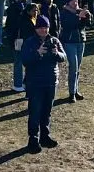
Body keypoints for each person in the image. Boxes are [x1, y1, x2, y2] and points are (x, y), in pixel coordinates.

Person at [21, 14, 65, 153]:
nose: (43, 30)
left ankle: (45, 136)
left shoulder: (54, 40)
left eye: (45, 27)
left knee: (47, 111)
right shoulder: (29, 42)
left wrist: (56, 53)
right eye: (40, 28)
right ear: (36, 29)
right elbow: (25, 60)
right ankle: (33, 139)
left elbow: (63, 57)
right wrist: (37, 53)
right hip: (35, 82)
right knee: (35, 111)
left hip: (51, 81)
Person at [58, 0, 91, 102]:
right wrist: (78, 17)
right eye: (73, 0)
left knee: (78, 67)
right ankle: (71, 93)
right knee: (73, 66)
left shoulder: (80, 11)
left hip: (81, 41)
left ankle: (76, 90)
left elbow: (88, 25)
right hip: (69, 42)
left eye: (76, 0)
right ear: (68, 3)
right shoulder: (63, 13)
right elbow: (68, 25)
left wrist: (88, 17)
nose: (75, 2)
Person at [10, 0, 40, 92]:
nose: (35, 12)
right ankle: (18, 84)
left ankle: (24, 83)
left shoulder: (34, 19)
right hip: (21, 45)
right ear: (28, 11)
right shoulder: (24, 20)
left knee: (28, 65)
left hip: (26, 45)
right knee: (19, 64)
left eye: (36, 10)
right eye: (33, 10)